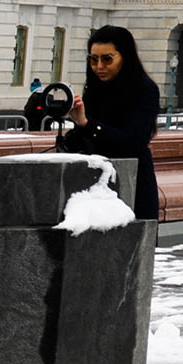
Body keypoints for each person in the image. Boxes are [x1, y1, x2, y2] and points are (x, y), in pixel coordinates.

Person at [53, 24, 164, 220]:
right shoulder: (95, 89)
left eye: (107, 59)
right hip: (93, 188)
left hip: (131, 185)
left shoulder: (144, 89)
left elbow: (133, 142)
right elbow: (85, 138)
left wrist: (87, 125)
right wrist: (75, 125)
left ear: (125, 57)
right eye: (93, 59)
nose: (99, 67)